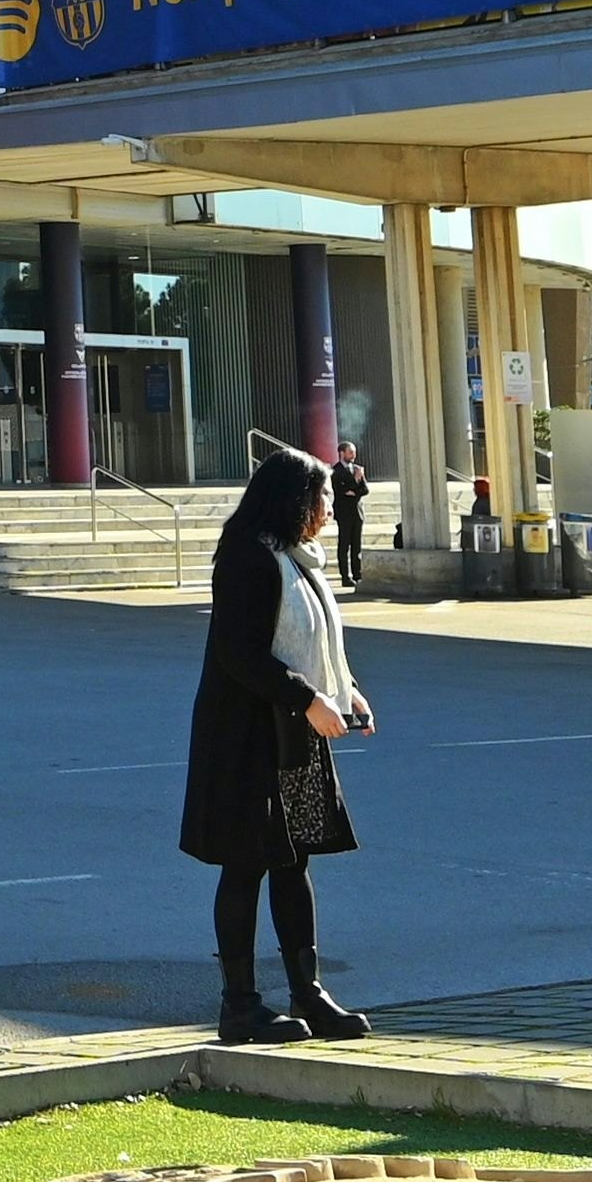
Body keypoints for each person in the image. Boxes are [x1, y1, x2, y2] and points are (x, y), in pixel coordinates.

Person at [177, 437, 372, 1044]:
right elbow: (239, 653)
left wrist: (346, 690)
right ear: (292, 500)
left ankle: (308, 994)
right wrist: (308, 698)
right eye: (322, 498)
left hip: (293, 733)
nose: (330, 509)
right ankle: (239, 1006)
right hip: (248, 736)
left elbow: (314, 639)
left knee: (293, 862)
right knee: (247, 864)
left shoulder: (296, 556)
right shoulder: (248, 557)